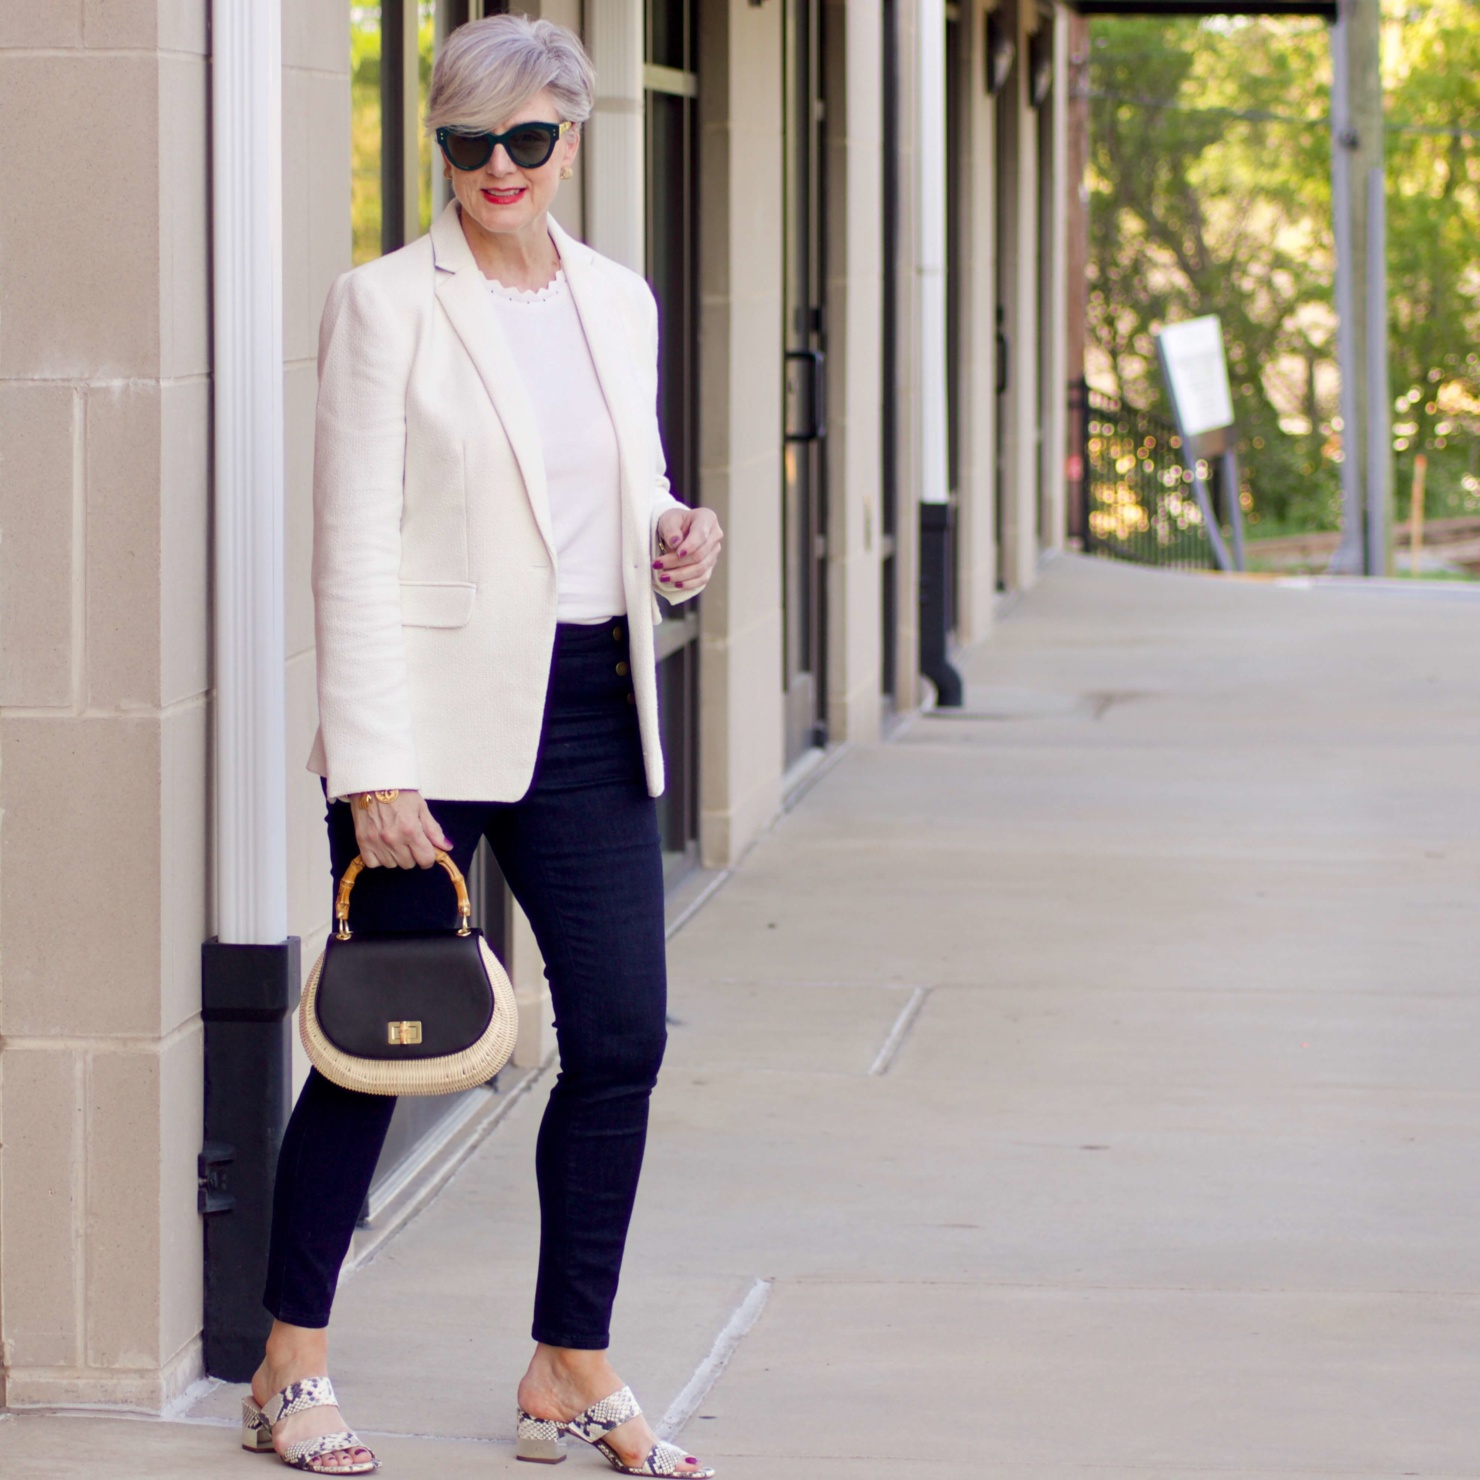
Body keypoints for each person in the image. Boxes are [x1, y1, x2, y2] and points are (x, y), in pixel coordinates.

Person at [240, 16, 724, 1476]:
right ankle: (288, 1366)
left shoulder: (617, 299)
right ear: (439, 145)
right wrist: (376, 770)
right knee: (377, 1052)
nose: (497, 168)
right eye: (467, 143)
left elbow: (629, 484)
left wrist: (673, 540)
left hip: (590, 706)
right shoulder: (387, 305)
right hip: (428, 732)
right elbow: (354, 549)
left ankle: (568, 1358)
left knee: (625, 1038)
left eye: (527, 140)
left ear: (571, 140)